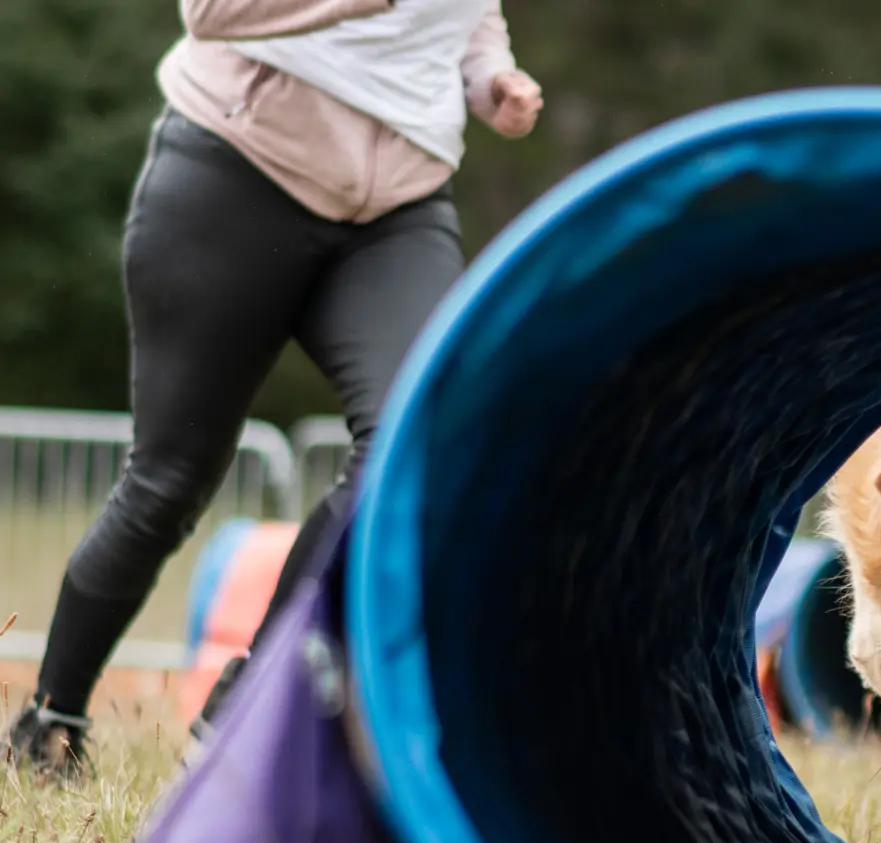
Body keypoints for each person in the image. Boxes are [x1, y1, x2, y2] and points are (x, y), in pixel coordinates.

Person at [7, 0, 542, 776]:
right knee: (169, 480)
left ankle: (248, 707)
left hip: (399, 204)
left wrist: (491, 77)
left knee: (417, 438)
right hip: (237, 170)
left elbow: (468, 11)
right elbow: (212, 12)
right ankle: (50, 723)